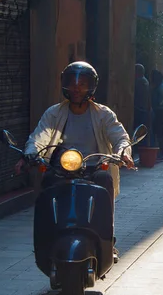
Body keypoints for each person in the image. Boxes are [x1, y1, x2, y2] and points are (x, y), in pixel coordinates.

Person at [15, 61, 134, 262]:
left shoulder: (103, 114)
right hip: (61, 169)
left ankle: (108, 239)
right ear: (65, 85)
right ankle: (46, 236)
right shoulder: (54, 113)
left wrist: (124, 152)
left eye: (82, 83)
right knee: (46, 183)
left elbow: (119, 135)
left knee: (105, 181)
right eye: (72, 82)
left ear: (91, 86)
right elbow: (39, 136)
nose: (76, 88)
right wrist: (30, 153)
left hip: (93, 167)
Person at [151, 69, 163, 161]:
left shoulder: (161, 87)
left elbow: (160, 102)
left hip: (159, 112)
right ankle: (162, 152)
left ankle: (161, 153)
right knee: (160, 133)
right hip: (162, 112)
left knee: (159, 133)